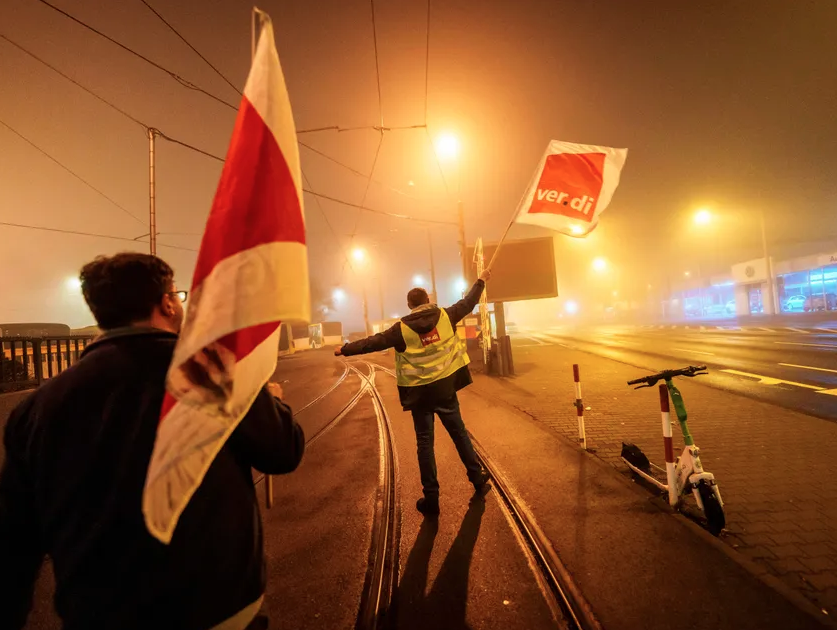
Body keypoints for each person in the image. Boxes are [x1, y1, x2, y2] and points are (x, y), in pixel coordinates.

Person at [0, 253, 304, 630]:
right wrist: (266, 397)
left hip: (98, 615)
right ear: (166, 303)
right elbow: (283, 451)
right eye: (176, 295)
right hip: (217, 609)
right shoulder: (212, 371)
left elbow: (15, 543)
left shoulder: (36, 408)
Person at [335, 270, 492, 516]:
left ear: (409, 305)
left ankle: (431, 499)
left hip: (420, 396)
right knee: (460, 434)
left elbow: (373, 342)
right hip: (445, 390)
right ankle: (478, 479)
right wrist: (481, 280)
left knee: (425, 444)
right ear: (427, 299)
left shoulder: (401, 329)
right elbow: (468, 303)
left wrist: (344, 349)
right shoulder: (445, 316)